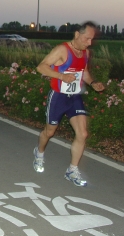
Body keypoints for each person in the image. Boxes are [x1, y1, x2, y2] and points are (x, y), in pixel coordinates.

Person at [33, 21, 105, 187]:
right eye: (87, 39)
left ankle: (72, 170)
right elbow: (41, 67)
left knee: (83, 134)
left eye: (91, 40)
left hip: (75, 97)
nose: (89, 43)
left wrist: (93, 83)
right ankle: (39, 153)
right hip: (58, 97)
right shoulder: (62, 50)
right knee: (49, 132)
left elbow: (84, 73)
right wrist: (61, 76)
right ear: (77, 35)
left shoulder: (84, 53)